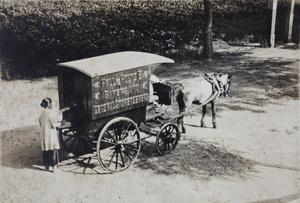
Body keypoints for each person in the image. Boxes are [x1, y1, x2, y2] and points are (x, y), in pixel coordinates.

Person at [38, 98, 60, 172]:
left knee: (46, 150)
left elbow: (40, 123)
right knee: (53, 150)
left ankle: (46, 167)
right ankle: (55, 168)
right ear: (48, 104)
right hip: (50, 134)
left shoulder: (42, 113)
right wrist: (59, 123)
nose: (52, 105)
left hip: (44, 134)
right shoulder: (51, 113)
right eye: (51, 103)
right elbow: (53, 125)